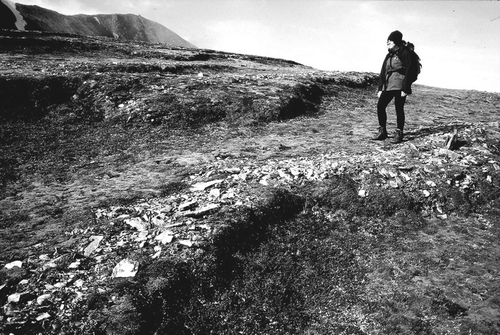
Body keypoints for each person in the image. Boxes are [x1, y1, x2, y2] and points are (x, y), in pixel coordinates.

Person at [373, 30, 417, 144]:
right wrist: (380, 88)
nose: (387, 42)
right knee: (380, 106)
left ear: (396, 42)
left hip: (400, 85)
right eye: (387, 40)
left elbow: (410, 70)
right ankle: (382, 131)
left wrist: (405, 88)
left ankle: (399, 133)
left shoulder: (405, 53)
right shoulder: (389, 55)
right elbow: (383, 72)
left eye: (390, 40)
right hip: (388, 85)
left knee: (399, 108)